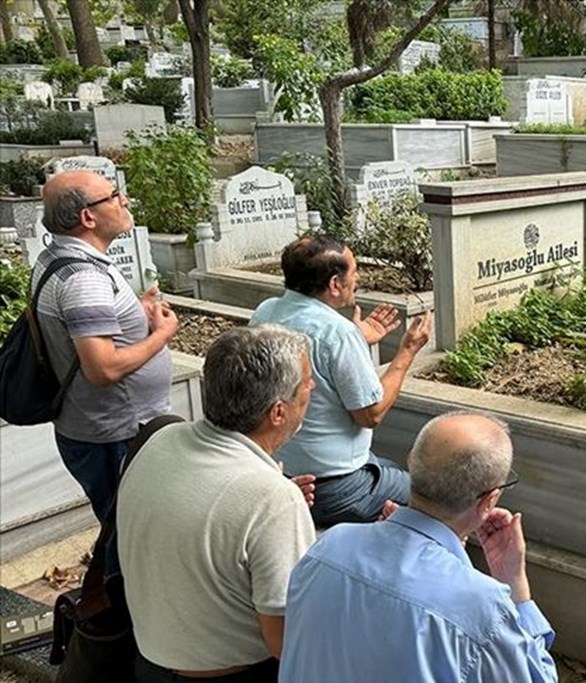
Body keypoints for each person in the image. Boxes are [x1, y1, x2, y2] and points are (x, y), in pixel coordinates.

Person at [279, 411, 557, 682]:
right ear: (489, 501)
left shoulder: (329, 546)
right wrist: (515, 586)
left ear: (411, 463)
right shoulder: (481, 607)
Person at [117, 326, 318, 682]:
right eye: (305, 384)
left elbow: (199, 522)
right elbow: (288, 643)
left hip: (147, 663)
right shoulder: (271, 498)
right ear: (277, 412)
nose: (312, 389)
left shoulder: (160, 439)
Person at [250, 235, 432, 526]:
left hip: (284, 471)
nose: (357, 277)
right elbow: (370, 414)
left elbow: (315, 349)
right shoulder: (337, 333)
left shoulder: (265, 312)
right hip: (333, 489)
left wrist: (358, 339)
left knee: (390, 467)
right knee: (430, 498)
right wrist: (407, 351)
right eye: (353, 271)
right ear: (335, 284)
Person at [31, 170, 177, 524]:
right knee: (132, 532)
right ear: (87, 217)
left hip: (107, 429)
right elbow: (103, 369)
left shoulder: (61, 259)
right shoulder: (84, 279)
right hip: (117, 435)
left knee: (126, 528)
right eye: (113, 196)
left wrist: (136, 312)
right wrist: (162, 333)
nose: (124, 201)